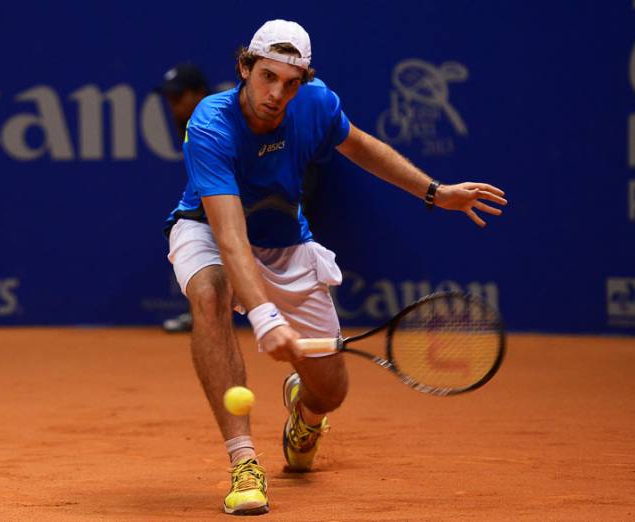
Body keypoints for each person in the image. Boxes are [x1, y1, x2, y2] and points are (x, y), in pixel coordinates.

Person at [164, 20, 507, 516]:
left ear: (303, 81)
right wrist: (264, 317)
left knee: (332, 391)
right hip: (210, 230)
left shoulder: (316, 103)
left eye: (290, 81)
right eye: (266, 77)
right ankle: (243, 462)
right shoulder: (211, 123)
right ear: (244, 68)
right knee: (211, 294)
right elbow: (230, 236)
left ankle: (305, 411)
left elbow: (362, 147)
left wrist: (435, 191)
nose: (277, 93)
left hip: (285, 242)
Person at [156, 63, 211, 333]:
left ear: (198, 94)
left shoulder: (213, 121)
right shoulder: (187, 123)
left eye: (178, 97)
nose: (173, 105)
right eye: (169, 99)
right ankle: (203, 313)